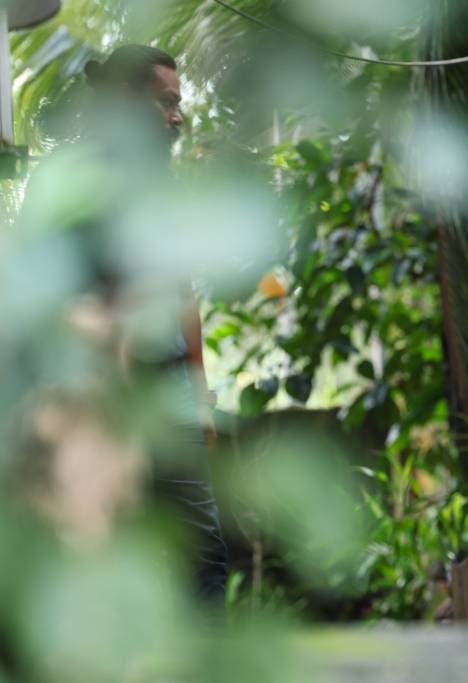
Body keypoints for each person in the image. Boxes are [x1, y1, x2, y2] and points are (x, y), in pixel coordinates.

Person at [18, 45, 229, 599]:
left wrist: (199, 395)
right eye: (165, 102)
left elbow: (183, 295)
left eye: (179, 104)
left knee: (204, 556)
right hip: (100, 397)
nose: (177, 116)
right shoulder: (63, 180)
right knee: (96, 551)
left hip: (170, 396)